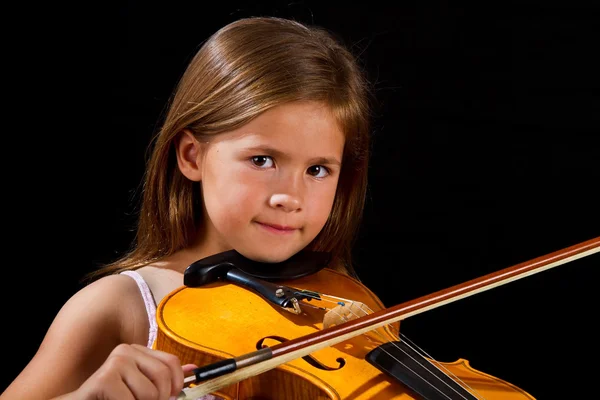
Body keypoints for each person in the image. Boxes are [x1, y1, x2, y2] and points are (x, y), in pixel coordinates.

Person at [2, 16, 373, 400]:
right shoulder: (121, 305)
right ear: (192, 156)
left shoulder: (337, 308)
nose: (289, 197)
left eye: (317, 169)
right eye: (262, 160)